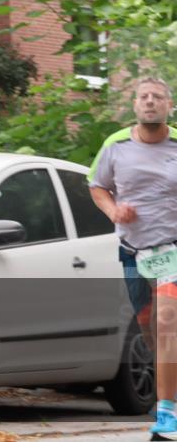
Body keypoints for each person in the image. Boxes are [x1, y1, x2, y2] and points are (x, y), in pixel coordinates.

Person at [88, 77, 177, 440]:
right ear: (135, 105)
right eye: (144, 96)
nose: (150, 102)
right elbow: (97, 186)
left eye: (158, 97)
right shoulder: (116, 145)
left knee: (167, 324)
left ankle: (167, 415)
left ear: (169, 105)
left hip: (173, 249)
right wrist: (113, 210)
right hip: (133, 252)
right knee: (151, 333)